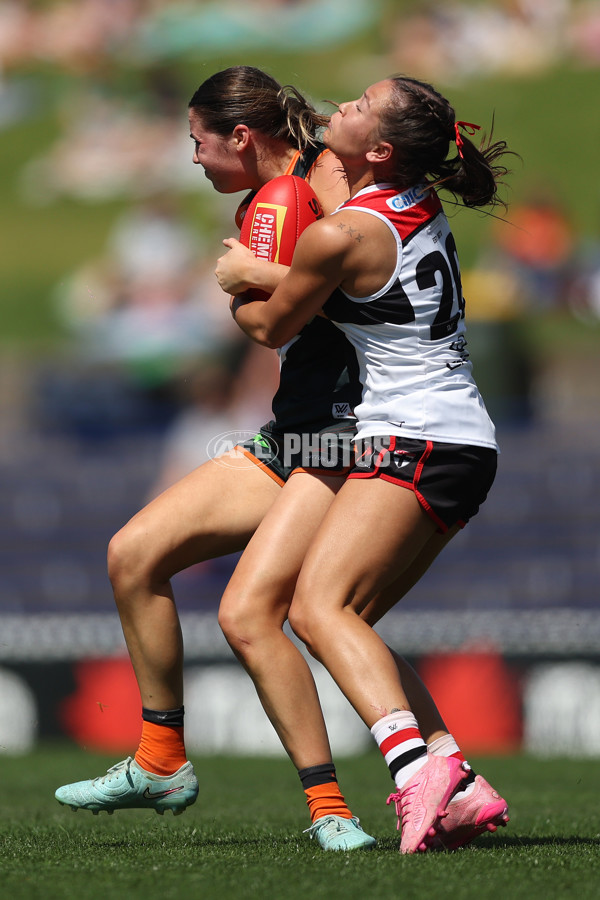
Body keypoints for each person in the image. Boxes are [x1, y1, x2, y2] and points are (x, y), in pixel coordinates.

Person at [55, 67, 503, 853]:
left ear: (239, 135)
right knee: (137, 554)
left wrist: (245, 280)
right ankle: (163, 758)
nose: (191, 156)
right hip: (301, 428)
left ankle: (344, 803)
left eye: (197, 140)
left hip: (351, 433)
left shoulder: (334, 181)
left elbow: (303, 303)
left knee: (274, 612)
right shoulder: (313, 192)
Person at [216, 74, 512, 853]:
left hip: (410, 438)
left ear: (378, 149)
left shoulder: (338, 231)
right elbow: (360, 295)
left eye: (355, 108)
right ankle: (460, 781)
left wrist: (238, 281)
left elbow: (271, 330)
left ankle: (416, 771)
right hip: (467, 442)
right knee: (352, 620)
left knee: (317, 610)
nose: (337, 108)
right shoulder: (415, 201)